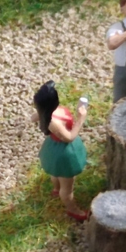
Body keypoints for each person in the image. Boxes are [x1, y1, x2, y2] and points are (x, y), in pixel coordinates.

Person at [32, 81, 89, 222]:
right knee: (67, 185)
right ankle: (72, 209)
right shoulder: (53, 122)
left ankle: (57, 189)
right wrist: (80, 119)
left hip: (53, 147)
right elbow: (69, 137)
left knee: (56, 172)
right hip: (64, 153)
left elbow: (33, 118)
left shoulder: (45, 113)